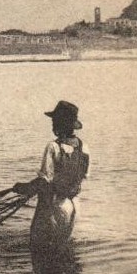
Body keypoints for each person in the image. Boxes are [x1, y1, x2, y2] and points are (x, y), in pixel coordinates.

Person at [13, 101, 90, 252]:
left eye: (55, 121)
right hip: (74, 206)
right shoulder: (84, 147)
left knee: (39, 248)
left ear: (61, 123)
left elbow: (44, 180)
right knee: (61, 250)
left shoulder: (53, 147)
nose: (52, 124)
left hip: (55, 206)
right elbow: (83, 175)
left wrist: (23, 187)